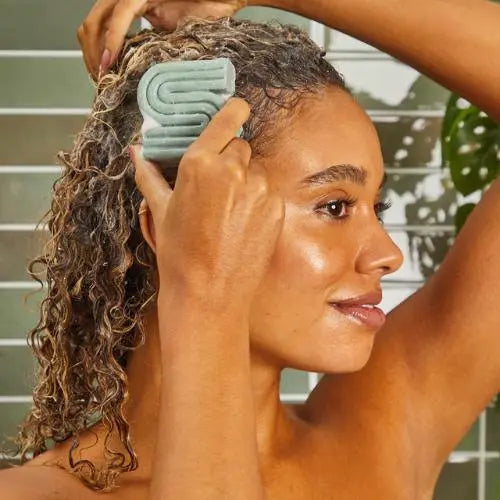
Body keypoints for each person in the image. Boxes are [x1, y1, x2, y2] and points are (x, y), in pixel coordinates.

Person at [0, 2, 498, 500]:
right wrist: (204, 295)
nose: (387, 255)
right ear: (168, 226)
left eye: (377, 207)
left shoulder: (380, 431)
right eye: (334, 206)